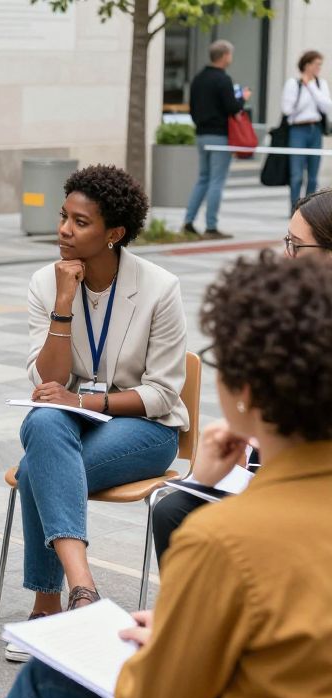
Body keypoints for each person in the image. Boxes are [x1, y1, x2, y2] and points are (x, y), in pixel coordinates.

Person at [0, 253, 332, 698]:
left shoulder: (222, 541)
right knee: (46, 445)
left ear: (245, 392)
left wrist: (164, 645)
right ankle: (74, 591)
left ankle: (66, 604)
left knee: (49, 683)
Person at [6, 164, 188, 663]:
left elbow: (163, 394)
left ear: (115, 233)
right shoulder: (46, 283)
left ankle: (47, 605)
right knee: (43, 422)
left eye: (80, 222)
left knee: (36, 468)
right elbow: (48, 382)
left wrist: (83, 402)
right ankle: (83, 591)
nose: (63, 229)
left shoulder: (159, 288)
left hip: (145, 430)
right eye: (63, 217)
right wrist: (65, 303)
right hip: (69, 425)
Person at [152, 186, 332, 562]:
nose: (286, 257)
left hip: (305, 490)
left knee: (204, 531)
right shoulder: (286, 313)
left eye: (297, 246)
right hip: (277, 474)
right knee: (174, 509)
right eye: (286, 242)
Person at [182, 40, 251, 239]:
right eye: (230, 54)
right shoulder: (223, 79)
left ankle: (188, 221)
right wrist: (243, 97)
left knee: (203, 178)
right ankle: (211, 227)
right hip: (220, 136)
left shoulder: (198, 78)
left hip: (202, 134)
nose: (231, 58)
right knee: (216, 181)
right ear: (224, 56)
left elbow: (193, 107)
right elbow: (232, 107)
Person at [282, 51, 332, 210]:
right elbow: (288, 110)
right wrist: (304, 89)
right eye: (316, 64)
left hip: (315, 129)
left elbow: (326, 106)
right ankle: (294, 208)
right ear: (307, 65)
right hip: (298, 130)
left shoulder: (320, 84)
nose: (319, 67)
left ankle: (309, 210)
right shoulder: (293, 83)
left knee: (313, 176)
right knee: (296, 175)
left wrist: (310, 86)